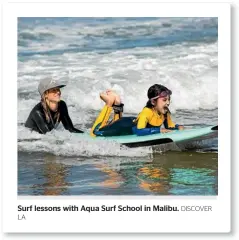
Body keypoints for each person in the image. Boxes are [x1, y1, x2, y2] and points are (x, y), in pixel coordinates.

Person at [90, 84, 183, 137]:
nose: (168, 103)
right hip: (123, 125)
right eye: (164, 100)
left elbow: (170, 126)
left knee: (113, 123)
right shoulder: (146, 112)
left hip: (129, 124)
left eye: (168, 100)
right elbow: (139, 131)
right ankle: (109, 103)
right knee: (96, 133)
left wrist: (177, 127)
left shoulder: (165, 112)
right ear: (153, 102)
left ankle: (117, 102)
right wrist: (159, 130)